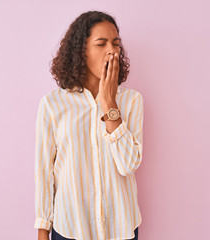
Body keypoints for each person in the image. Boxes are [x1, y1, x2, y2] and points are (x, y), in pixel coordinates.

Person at [35, 10, 143, 240]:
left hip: (120, 229)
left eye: (116, 44)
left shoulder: (131, 101)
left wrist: (109, 103)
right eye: (101, 43)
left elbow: (128, 164)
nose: (112, 51)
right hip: (71, 229)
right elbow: (44, 173)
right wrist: (43, 231)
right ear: (81, 52)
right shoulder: (53, 105)